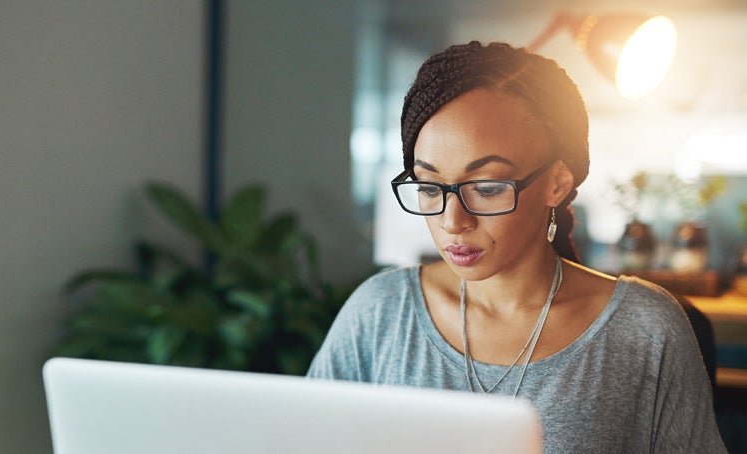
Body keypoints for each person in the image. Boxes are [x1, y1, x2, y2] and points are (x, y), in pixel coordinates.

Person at [307, 41, 725, 453]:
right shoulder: (380, 313)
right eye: (429, 187)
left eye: (487, 188)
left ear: (558, 183)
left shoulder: (645, 331)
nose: (453, 221)